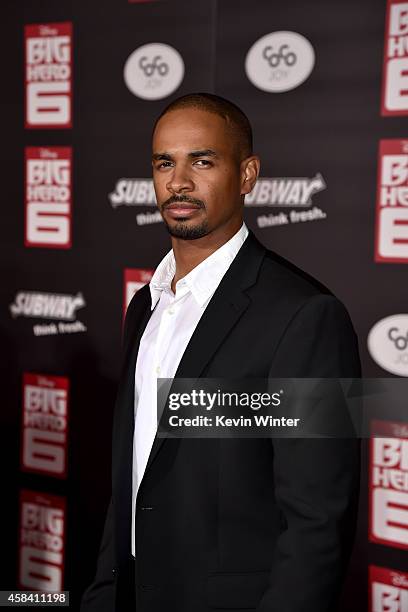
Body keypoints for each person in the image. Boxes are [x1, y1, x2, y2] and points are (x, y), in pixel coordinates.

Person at [81, 93, 361, 612]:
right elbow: (134, 479)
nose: (178, 181)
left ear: (248, 174)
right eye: (165, 162)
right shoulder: (144, 305)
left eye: (202, 161)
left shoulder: (307, 316)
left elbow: (318, 521)